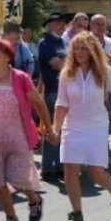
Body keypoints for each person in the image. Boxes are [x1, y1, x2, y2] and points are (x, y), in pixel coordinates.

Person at [52, 32, 111, 221]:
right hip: (72, 127)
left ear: (93, 50)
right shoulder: (67, 73)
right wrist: (55, 129)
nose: (79, 52)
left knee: (95, 171)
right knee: (69, 169)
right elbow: (61, 103)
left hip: (96, 127)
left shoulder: (103, 71)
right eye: (76, 48)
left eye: (83, 48)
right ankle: (76, 212)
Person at [0, 38, 55, 221]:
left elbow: (39, 104)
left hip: (18, 137)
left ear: (8, 57)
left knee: (18, 179)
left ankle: (34, 199)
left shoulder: (20, 78)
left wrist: (49, 129)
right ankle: (11, 218)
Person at [37, 12, 69, 182]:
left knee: (64, 130)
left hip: (65, 90)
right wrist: (71, 65)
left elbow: (67, 63)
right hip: (52, 91)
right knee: (53, 129)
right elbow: (57, 64)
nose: (62, 27)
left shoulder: (63, 42)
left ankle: (60, 166)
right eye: (58, 23)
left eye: (63, 24)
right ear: (49, 25)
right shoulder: (45, 43)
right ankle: (48, 168)